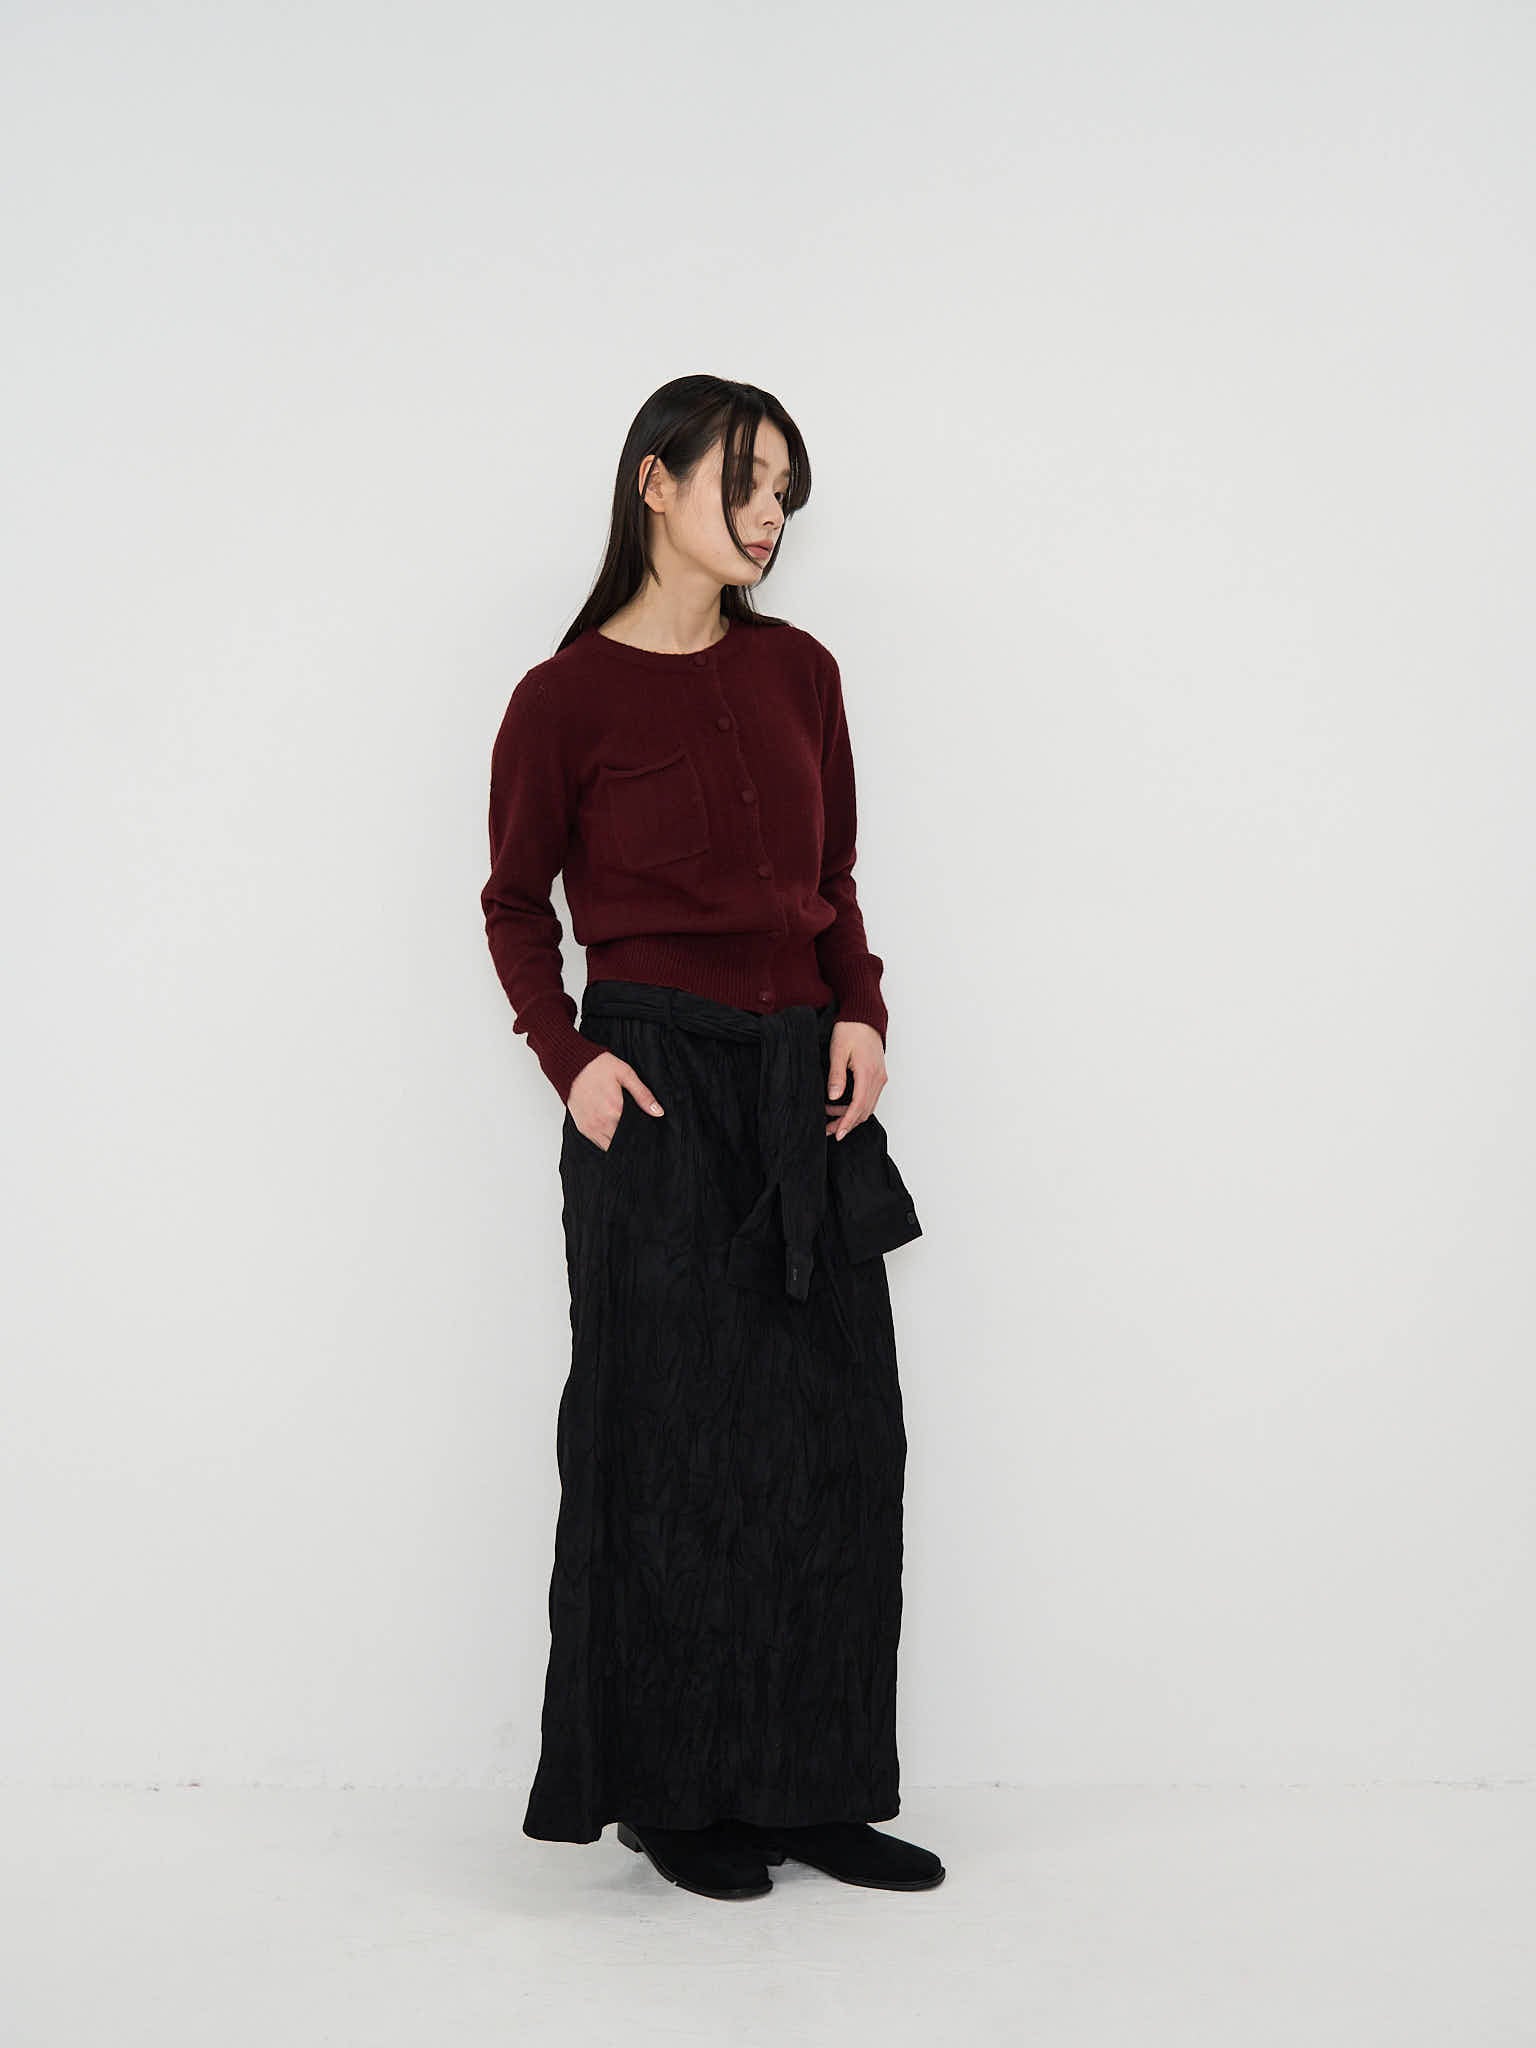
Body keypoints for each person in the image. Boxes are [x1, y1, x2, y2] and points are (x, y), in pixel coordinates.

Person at [480, 374, 942, 1901]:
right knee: (671, 1445)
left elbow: (835, 876)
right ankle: (677, 1800)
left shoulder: (801, 672)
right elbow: (513, 905)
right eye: (745, 482)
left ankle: (814, 1788)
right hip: (657, 1085)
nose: (768, 516)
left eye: (785, 494)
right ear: (655, 484)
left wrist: (861, 1008)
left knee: (832, 1441)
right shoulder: (562, 700)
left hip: (803, 1078)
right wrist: (571, 1064)